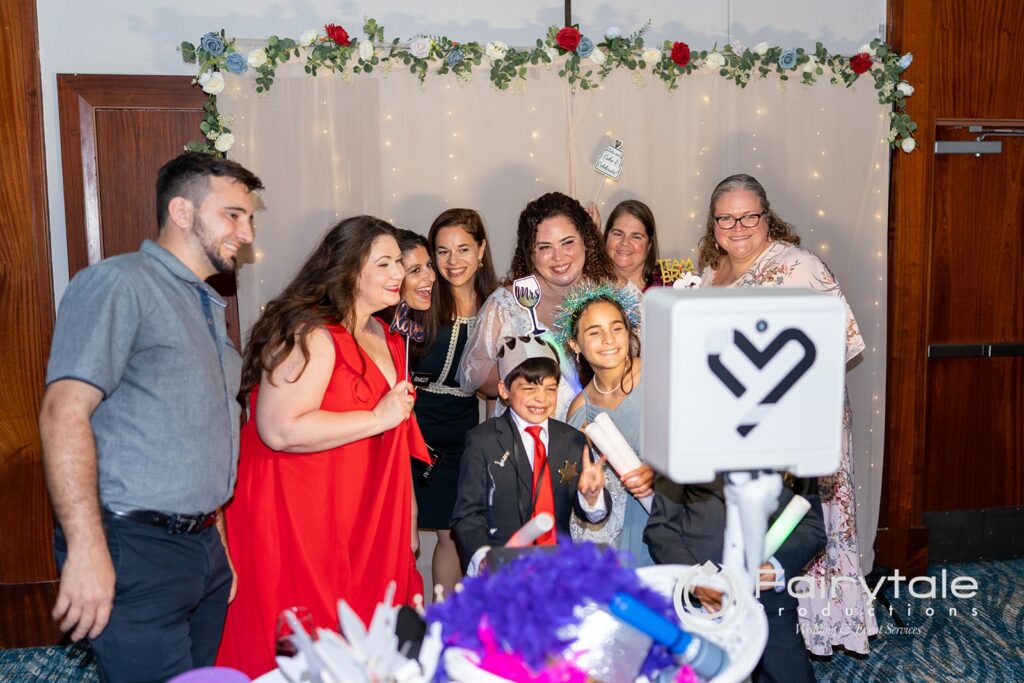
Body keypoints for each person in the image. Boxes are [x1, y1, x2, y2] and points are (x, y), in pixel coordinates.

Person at [39, 152, 264, 682]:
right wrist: (87, 548)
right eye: (233, 215)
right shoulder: (121, 283)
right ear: (182, 212)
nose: (247, 233)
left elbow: (203, 435)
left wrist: (216, 542)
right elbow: (62, 413)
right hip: (133, 545)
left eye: (250, 219)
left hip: (200, 549)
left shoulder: (204, 303)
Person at [216, 216, 430, 677]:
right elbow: (279, 429)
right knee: (306, 627)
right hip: (300, 508)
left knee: (369, 630)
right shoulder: (311, 332)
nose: (399, 273)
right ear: (349, 269)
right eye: (385, 263)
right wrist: (376, 418)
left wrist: (408, 514)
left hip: (367, 509)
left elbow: (397, 434)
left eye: (400, 262)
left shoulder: (387, 336)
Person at [696, 172, 878, 655]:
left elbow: (842, 343)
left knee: (804, 523)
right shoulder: (712, 271)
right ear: (713, 224)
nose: (738, 227)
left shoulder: (798, 266)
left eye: (748, 216)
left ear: (767, 217)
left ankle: (817, 628)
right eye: (726, 218)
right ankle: (760, 626)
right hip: (741, 424)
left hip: (799, 421)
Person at [450, 334, 612, 575]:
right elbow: (467, 514)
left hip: (557, 570)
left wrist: (591, 497)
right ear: (504, 390)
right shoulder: (482, 440)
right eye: (528, 388)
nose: (541, 398)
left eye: (550, 389)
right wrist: (483, 557)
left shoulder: (572, 439)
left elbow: (591, 515)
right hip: (503, 568)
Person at [644, 476, 827, 683]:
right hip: (703, 604)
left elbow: (813, 526)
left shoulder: (795, 457)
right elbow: (661, 529)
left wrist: (777, 565)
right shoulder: (684, 456)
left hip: (769, 604)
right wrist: (700, 578)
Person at [459, 192, 614, 420]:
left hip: (597, 430)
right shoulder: (507, 303)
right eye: (544, 247)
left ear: (585, 240)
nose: (558, 257)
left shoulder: (612, 296)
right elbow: (475, 375)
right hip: (526, 435)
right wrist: (517, 370)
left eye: (567, 242)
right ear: (530, 254)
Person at [411, 209, 498, 599]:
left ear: (481, 249)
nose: (452, 261)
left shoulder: (497, 305)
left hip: (460, 433)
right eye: (442, 251)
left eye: (463, 248)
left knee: (453, 533)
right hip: (411, 427)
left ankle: (444, 618)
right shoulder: (421, 299)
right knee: (399, 530)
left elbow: (496, 386)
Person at [554, 281, 655, 566]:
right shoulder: (580, 409)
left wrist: (659, 472)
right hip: (618, 533)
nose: (609, 339)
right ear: (575, 344)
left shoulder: (659, 375)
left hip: (672, 515)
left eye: (616, 328)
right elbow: (577, 484)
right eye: (594, 332)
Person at [587, 199, 663, 291]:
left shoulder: (667, 288)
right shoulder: (587, 285)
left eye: (636, 237)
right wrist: (593, 236)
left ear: (649, 245)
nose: (625, 242)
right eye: (618, 234)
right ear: (606, 237)